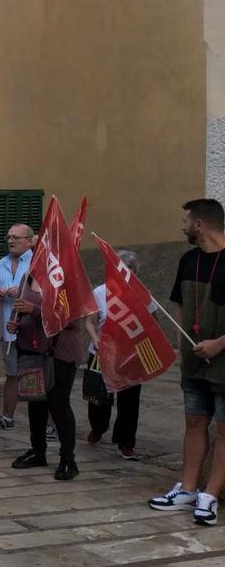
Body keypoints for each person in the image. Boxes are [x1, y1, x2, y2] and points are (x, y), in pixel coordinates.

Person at [149, 198, 225, 526]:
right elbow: (179, 305)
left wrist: (219, 343)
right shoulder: (187, 260)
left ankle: (210, 495)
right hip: (195, 361)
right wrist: (183, 346)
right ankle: (188, 489)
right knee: (194, 422)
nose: (181, 226)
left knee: (224, 429)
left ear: (199, 224)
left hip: (223, 360)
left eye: (185, 220)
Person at [5, 273, 82, 481]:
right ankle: (38, 451)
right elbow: (21, 311)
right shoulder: (26, 279)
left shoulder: (65, 278)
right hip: (32, 351)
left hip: (60, 353)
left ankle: (68, 459)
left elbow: (71, 319)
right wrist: (16, 325)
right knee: (35, 401)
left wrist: (36, 311)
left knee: (58, 403)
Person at [83, 249, 146, 461]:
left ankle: (125, 442)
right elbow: (90, 322)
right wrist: (95, 340)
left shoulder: (141, 294)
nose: (122, 272)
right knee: (98, 399)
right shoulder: (99, 293)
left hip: (130, 357)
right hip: (102, 354)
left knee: (129, 402)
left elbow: (152, 323)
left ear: (133, 271)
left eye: (127, 269)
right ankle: (98, 427)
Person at [0, 223, 34, 431]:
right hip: (7, 330)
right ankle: (7, 418)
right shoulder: (1, 263)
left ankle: (48, 425)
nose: (10, 241)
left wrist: (23, 291)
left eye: (16, 238)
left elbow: (48, 295)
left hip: (31, 332)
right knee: (12, 374)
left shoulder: (38, 263)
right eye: (9, 237)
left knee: (36, 377)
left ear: (29, 241)